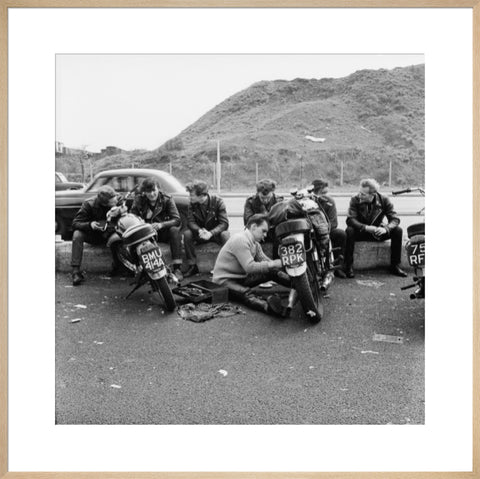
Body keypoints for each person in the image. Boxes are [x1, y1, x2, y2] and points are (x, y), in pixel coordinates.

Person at [212, 214, 291, 317]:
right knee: (247, 293)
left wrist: (285, 265)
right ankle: (269, 307)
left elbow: (266, 262)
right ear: (253, 227)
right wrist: (273, 263)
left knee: (271, 271)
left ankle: (295, 284)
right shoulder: (240, 239)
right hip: (224, 282)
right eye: (263, 231)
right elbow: (249, 267)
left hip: (240, 278)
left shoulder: (255, 244)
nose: (265, 235)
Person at [345, 178, 407, 278]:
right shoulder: (355, 199)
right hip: (361, 231)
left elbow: (395, 219)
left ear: (372, 195)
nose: (359, 195)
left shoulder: (384, 199)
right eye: (359, 192)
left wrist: (386, 229)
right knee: (349, 231)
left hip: (377, 233)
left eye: (363, 194)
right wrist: (365, 227)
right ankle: (348, 266)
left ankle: (395, 265)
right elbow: (350, 220)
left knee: (397, 231)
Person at [130, 177, 184, 280]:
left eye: (154, 190)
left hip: (162, 232)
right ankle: (138, 268)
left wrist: (161, 225)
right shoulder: (139, 199)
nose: (151, 194)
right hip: (146, 234)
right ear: (144, 192)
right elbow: (132, 216)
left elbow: (177, 219)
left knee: (175, 230)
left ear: (158, 189)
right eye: (148, 192)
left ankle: (177, 268)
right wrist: (142, 224)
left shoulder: (167, 199)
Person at [70, 185, 123, 286]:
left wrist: (121, 211)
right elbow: (75, 223)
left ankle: (119, 267)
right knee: (77, 235)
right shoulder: (88, 204)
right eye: (112, 202)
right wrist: (90, 225)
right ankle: (76, 272)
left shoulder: (118, 200)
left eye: (115, 198)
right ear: (104, 204)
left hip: (110, 234)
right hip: (93, 234)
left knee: (119, 236)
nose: (115, 202)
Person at [183, 180, 230, 277]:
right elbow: (190, 222)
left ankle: (228, 265)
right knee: (187, 234)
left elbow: (224, 223)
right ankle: (193, 266)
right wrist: (199, 230)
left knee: (226, 234)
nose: (189, 197)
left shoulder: (218, 201)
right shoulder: (191, 204)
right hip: (200, 233)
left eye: (192, 195)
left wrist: (211, 233)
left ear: (201, 196)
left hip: (214, 234)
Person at [311, 178, 347, 278]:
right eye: (323, 193)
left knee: (340, 234)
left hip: (326, 230)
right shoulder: (307, 201)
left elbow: (333, 222)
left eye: (326, 192)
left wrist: (323, 231)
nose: (325, 195)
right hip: (310, 232)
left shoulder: (330, 201)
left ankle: (337, 267)